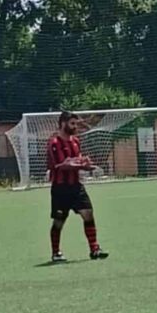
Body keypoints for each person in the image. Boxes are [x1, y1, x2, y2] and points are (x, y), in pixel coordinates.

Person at [47, 112, 108, 263]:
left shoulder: (75, 141)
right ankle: (56, 252)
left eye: (76, 123)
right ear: (63, 123)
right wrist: (81, 165)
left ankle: (94, 249)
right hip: (61, 188)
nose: (75, 127)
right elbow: (62, 165)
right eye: (72, 124)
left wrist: (86, 164)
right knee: (59, 221)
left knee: (88, 213)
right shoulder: (54, 143)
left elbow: (77, 160)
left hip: (76, 186)